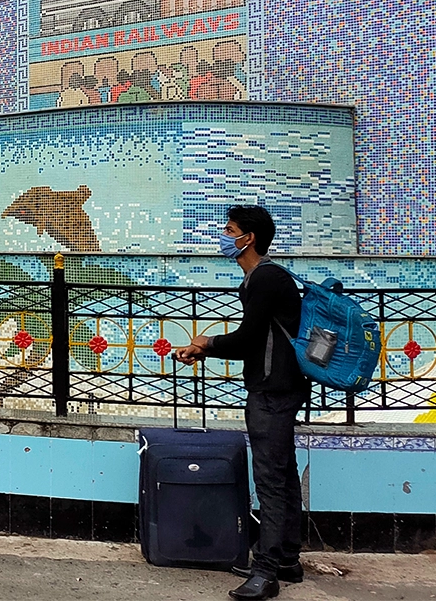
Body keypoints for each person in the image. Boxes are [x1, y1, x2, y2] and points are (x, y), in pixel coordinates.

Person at [174, 206, 309, 600]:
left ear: (248, 238)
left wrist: (207, 342)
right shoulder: (263, 277)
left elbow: (249, 339)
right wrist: (204, 349)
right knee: (282, 474)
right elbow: (259, 339)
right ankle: (287, 559)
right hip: (281, 387)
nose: (224, 236)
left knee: (270, 479)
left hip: (272, 391)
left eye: (230, 230)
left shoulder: (263, 278)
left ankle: (266, 572)